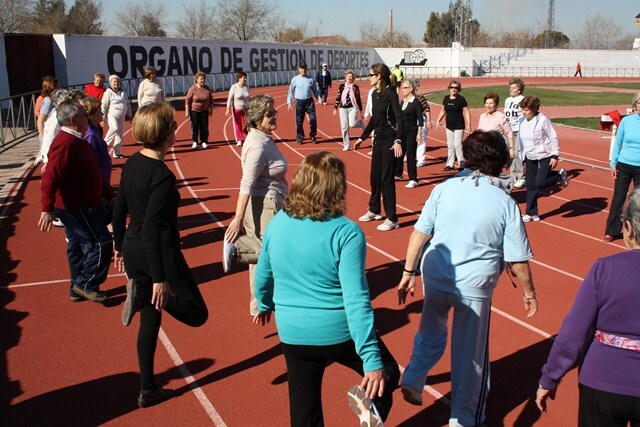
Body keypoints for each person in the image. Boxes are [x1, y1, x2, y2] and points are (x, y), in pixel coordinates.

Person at [397, 130, 539, 427]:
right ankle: (463, 417)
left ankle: (413, 376)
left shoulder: (444, 189)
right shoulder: (504, 203)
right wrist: (529, 292)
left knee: (430, 330)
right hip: (474, 285)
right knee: (471, 357)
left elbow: (419, 233)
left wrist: (408, 273)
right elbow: (517, 260)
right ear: (500, 161)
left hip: (435, 274)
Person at [253, 151, 400, 427]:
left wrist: (263, 304)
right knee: (388, 369)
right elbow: (356, 299)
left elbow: (263, 274)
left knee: (304, 411)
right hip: (337, 332)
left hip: (292, 333)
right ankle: (373, 404)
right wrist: (370, 359)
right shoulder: (347, 232)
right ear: (337, 186)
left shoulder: (277, 224)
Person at [112, 102, 209, 408]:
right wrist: (158, 279)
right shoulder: (164, 176)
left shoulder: (132, 163)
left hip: (132, 245)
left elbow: (119, 209)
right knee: (196, 313)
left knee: (149, 322)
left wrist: (118, 245)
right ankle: (145, 291)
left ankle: (147, 388)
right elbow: (154, 227)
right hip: (158, 251)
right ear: (167, 134)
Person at [536, 187, 640, 426]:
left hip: (603, 380)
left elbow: (574, 331)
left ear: (629, 229)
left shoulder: (605, 268)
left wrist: (550, 377)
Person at [38, 99, 114, 303]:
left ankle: (78, 285)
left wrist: (109, 194)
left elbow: (93, 173)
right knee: (102, 243)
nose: (87, 118)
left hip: (83, 202)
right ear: (73, 120)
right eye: (83, 115)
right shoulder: (66, 143)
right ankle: (86, 284)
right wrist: (47, 208)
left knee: (78, 245)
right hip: (77, 206)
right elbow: (50, 177)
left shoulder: (77, 140)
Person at [221, 95, 288, 316]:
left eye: (274, 111)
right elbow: (246, 182)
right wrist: (237, 218)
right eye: (269, 113)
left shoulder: (264, 137)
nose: (274, 115)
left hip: (269, 203)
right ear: (258, 118)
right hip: (264, 206)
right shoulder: (257, 145)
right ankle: (238, 248)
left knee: (260, 259)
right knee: (274, 254)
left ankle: (259, 304)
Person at [354, 63, 404, 232]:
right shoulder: (374, 94)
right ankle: (375, 210)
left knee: (386, 180)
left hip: (390, 142)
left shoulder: (390, 94)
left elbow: (399, 119)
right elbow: (375, 119)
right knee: (374, 177)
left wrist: (398, 140)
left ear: (379, 76)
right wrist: (362, 137)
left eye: (371, 75)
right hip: (378, 141)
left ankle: (392, 218)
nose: (369, 77)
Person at [518, 96, 569, 223]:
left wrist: (554, 155)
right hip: (530, 157)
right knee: (530, 185)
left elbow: (553, 136)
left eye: (526, 110)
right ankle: (531, 212)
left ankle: (559, 175)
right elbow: (521, 140)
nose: (524, 113)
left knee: (539, 183)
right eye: (522, 110)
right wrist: (522, 156)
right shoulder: (522, 121)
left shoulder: (542, 120)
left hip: (544, 155)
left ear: (534, 109)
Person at [603, 92, 640, 242]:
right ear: (635, 105)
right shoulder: (627, 121)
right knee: (618, 198)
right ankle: (611, 230)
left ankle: (637, 232)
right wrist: (613, 163)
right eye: (639, 102)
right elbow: (618, 143)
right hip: (624, 165)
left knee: (638, 202)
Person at [436, 79, 471, 171]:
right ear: (449, 88)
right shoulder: (446, 98)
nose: (453, 89)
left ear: (459, 89)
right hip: (449, 126)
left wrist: (469, 124)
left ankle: (462, 164)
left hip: (459, 125)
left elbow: (466, 112)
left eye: (456, 88)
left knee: (457, 145)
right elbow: (443, 110)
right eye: (452, 87)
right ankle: (450, 164)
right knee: (450, 145)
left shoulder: (461, 99)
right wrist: (438, 120)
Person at [397, 78, 424, 188]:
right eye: (401, 88)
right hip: (402, 131)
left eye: (405, 88)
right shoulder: (403, 102)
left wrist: (419, 133)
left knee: (411, 155)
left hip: (412, 132)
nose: (402, 90)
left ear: (411, 88)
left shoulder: (415, 102)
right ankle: (398, 174)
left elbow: (420, 119)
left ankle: (413, 179)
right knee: (399, 153)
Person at [81, 97, 112, 184]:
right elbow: (92, 162)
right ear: (91, 115)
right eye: (99, 111)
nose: (102, 113)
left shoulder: (95, 128)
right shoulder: (91, 135)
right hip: (99, 180)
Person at [477, 92, 514, 166]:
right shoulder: (482, 116)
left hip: (495, 148)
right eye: (486, 103)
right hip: (484, 148)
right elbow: (479, 132)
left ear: (496, 105)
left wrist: (511, 148)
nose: (488, 105)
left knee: (493, 168)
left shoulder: (501, 117)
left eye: (491, 103)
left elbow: (509, 132)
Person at [287, 62, 320, 145]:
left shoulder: (310, 79)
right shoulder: (295, 79)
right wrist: (289, 103)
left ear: (306, 69)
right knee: (299, 121)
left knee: (313, 119)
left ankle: (312, 135)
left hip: (309, 101)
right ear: (299, 69)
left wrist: (319, 98)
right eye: (302, 68)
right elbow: (290, 91)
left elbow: (315, 91)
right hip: (299, 102)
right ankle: (300, 137)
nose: (303, 70)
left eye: (304, 68)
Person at [333, 69, 363, 152]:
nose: (349, 78)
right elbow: (338, 97)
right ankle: (346, 145)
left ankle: (360, 123)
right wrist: (335, 108)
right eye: (348, 76)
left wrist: (361, 111)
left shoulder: (355, 87)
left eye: (351, 76)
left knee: (352, 124)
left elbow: (358, 99)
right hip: (343, 108)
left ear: (353, 78)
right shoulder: (342, 86)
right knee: (344, 127)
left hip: (353, 107)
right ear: (345, 77)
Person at [102, 74, 132, 158]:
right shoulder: (108, 93)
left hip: (122, 117)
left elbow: (128, 104)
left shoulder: (123, 93)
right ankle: (104, 145)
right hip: (112, 115)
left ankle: (117, 152)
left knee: (120, 134)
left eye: (118, 81)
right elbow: (104, 105)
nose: (116, 83)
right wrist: (103, 117)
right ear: (110, 83)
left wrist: (130, 115)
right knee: (114, 128)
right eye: (114, 81)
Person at [504, 78, 526, 188]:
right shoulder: (507, 100)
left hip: (520, 129)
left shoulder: (522, 100)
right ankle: (513, 176)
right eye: (510, 87)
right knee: (511, 154)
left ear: (519, 90)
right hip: (510, 129)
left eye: (514, 88)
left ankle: (520, 176)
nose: (511, 89)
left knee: (518, 153)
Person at [185, 71, 213, 149]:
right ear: (197, 80)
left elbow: (211, 99)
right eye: (201, 79)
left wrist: (211, 109)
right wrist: (187, 111)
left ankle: (204, 141)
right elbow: (187, 100)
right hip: (194, 110)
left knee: (204, 126)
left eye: (203, 79)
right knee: (195, 126)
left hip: (204, 110)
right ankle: (195, 141)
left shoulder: (207, 89)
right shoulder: (192, 89)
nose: (202, 81)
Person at [226, 71, 250, 147]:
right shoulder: (234, 87)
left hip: (246, 109)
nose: (245, 79)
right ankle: (240, 139)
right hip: (236, 109)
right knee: (238, 124)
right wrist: (228, 109)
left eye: (246, 78)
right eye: (244, 78)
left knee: (248, 123)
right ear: (239, 78)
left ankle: (246, 133)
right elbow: (229, 99)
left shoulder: (247, 87)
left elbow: (249, 98)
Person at [413, 79, 433, 168]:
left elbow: (427, 108)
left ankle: (421, 160)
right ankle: (412, 156)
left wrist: (429, 121)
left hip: (420, 120)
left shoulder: (420, 97)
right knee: (411, 139)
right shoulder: (409, 98)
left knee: (421, 140)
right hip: (411, 121)